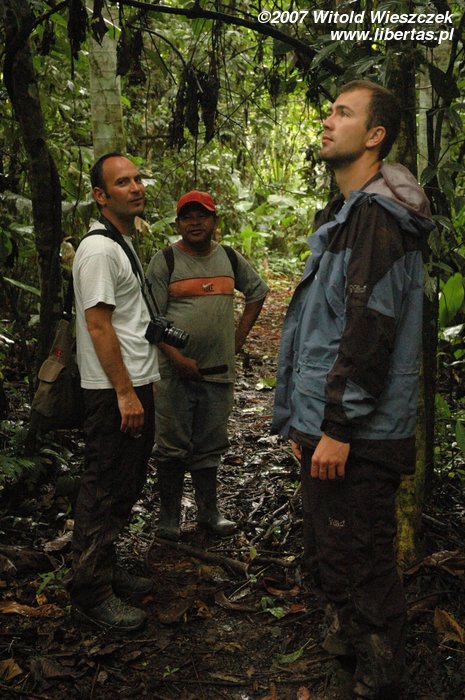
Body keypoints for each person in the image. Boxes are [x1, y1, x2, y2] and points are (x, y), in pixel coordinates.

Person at [272, 81, 434, 699]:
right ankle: (345, 649)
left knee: (363, 557)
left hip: (361, 432)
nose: (327, 120)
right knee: (330, 549)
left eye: (343, 113)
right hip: (330, 422)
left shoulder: (376, 218)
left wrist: (337, 428)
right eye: (329, 110)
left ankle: (379, 678)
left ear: (375, 136)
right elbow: (323, 326)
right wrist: (305, 421)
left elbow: (370, 331)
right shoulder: (343, 214)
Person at [70, 153, 160, 632]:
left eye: (137, 178)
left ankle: (103, 567)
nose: (136, 187)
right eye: (122, 182)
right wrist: (124, 393)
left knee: (123, 485)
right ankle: (91, 591)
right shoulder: (100, 251)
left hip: (132, 383)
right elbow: (99, 325)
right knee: (104, 487)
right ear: (100, 196)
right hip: (113, 390)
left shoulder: (121, 243)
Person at [146, 190, 269, 540]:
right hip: (173, 374)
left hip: (218, 373)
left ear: (215, 221)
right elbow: (151, 320)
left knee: (211, 442)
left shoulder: (228, 257)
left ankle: (208, 513)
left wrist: (237, 340)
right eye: (187, 217)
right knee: (171, 445)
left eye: (202, 216)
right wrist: (177, 358)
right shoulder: (165, 261)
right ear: (178, 224)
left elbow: (258, 292)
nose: (195, 223)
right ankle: (169, 517)